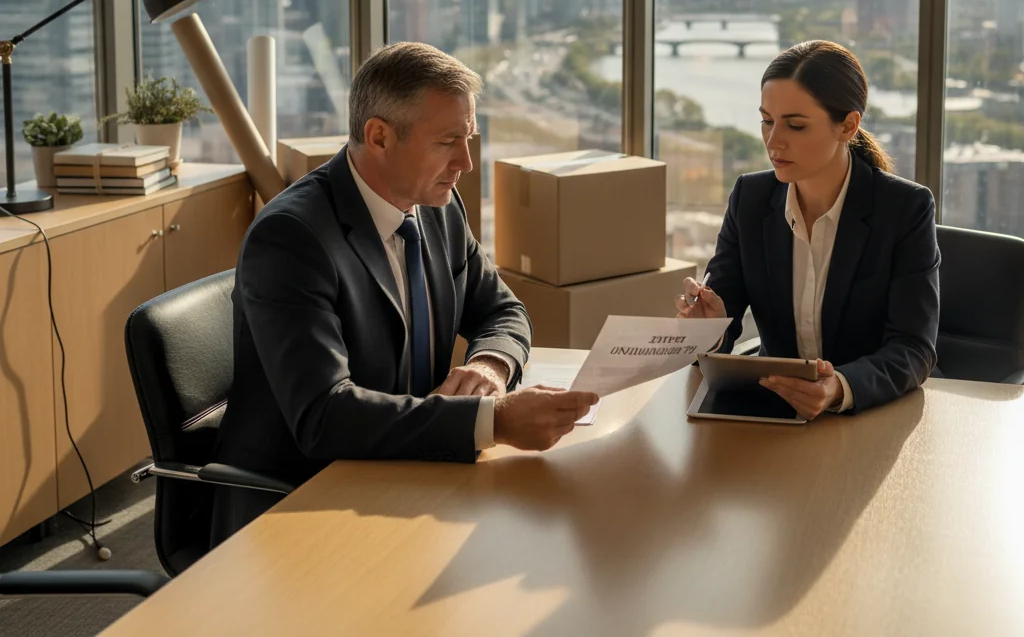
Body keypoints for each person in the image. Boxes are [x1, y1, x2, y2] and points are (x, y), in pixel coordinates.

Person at [211, 42, 597, 543]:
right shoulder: (291, 238)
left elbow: (501, 310)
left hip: (412, 471)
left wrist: (491, 366)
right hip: (302, 503)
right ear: (379, 137)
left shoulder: (438, 205)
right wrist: (491, 421)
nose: (466, 162)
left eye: (470, 138)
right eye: (448, 141)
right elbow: (325, 416)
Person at [677, 39, 939, 420]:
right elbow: (726, 313)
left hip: (867, 415)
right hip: (772, 412)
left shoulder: (904, 209)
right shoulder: (750, 198)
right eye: (767, 120)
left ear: (848, 126)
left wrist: (838, 388)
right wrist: (708, 328)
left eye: (795, 125)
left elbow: (913, 349)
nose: (773, 140)